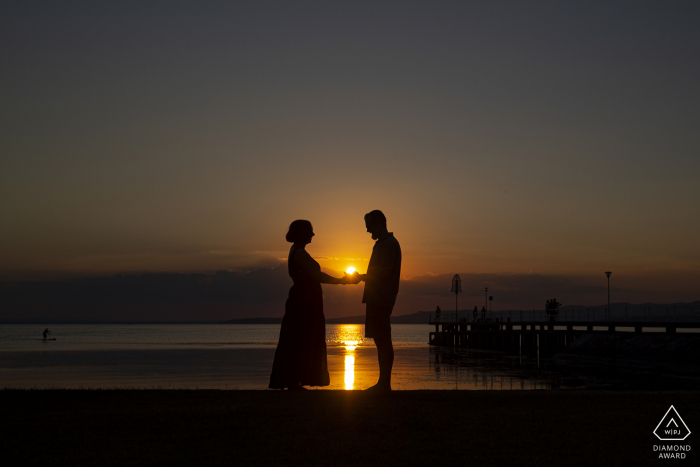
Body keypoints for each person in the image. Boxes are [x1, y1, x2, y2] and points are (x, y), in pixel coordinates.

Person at [269, 220, 360, 390]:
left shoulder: (297, 251)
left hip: (304, 299)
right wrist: (343, 281)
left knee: (300, 338)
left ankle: (294, 380)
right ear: (300, 233)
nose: (313, 234)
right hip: (304, 301)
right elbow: (318, 275)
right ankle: (294, 381)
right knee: (302, 338)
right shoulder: (300, 253)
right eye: (310, 231)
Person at [358, 210, 401, 392]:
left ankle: (384, 384)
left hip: (381, 298)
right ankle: (382, 382)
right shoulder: (381, 244)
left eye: (369, 227)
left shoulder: (389, 244)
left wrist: (362, 277)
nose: (368, 231)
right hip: (376, 297)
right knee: (379, 340)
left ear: (379, 223)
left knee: (383, 340)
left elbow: (384, 272)